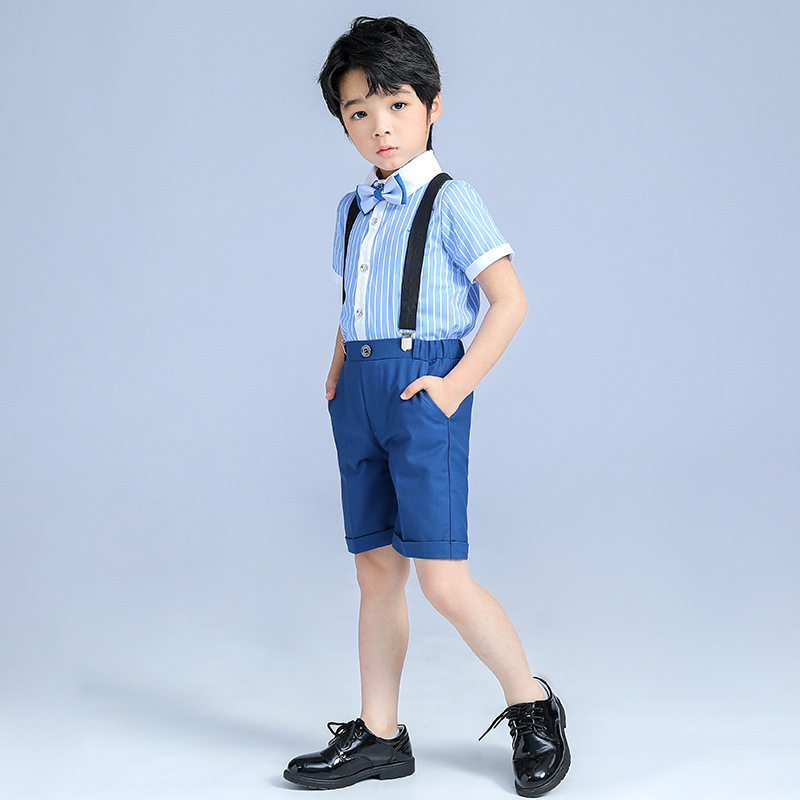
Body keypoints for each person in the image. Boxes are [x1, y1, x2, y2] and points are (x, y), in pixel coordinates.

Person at [283, 15, 571, 797]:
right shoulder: (351, 210)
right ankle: (380, 735)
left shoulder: (450, 199)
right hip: (360, 395)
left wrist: (452, 386)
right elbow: (352, 303)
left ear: (432, 106)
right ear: (343, 123)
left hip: (424, 390)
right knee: (376, 571)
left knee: (443, 579)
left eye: (397, 105)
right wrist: (337, 369)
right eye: (359, 112)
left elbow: (509, 301)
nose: (380, 127)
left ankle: (532, 705)